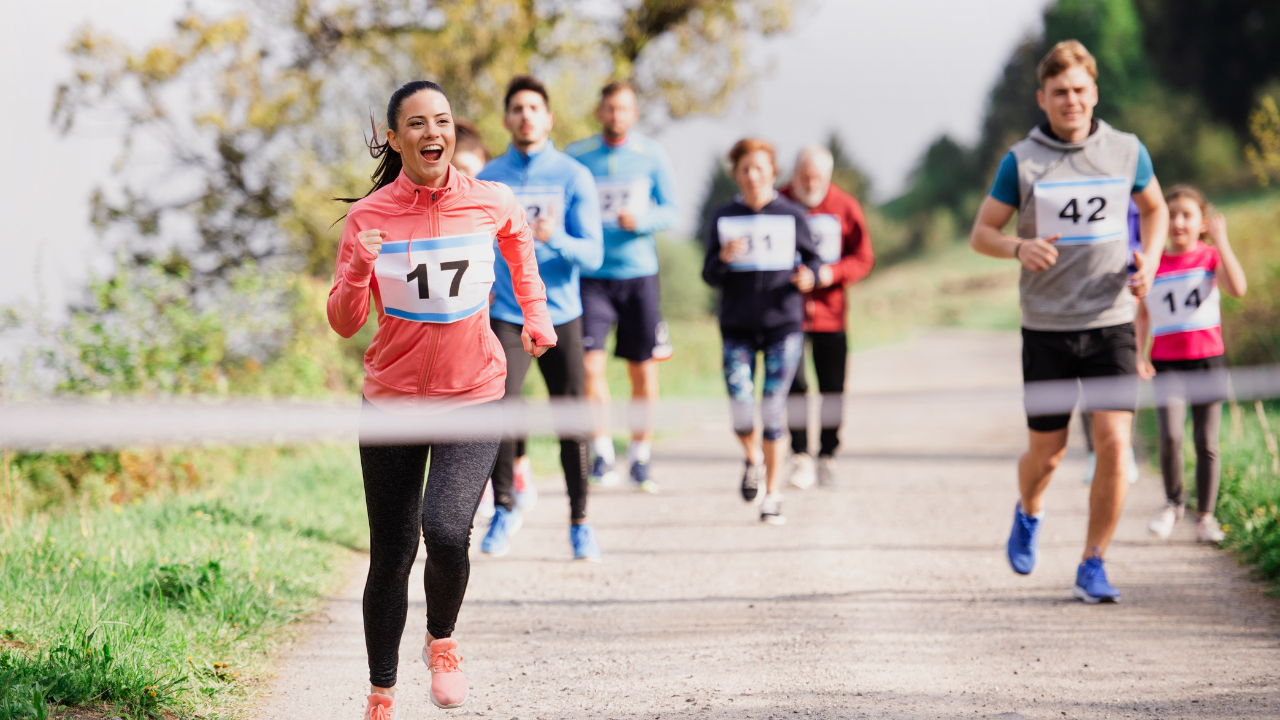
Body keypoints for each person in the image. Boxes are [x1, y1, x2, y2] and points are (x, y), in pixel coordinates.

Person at [328, 81, 555, 717]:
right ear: (396, 140)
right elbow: (345, 322)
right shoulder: (369, 218)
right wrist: (356, 271)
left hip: (475, 394)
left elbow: (519, 244)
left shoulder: (491, 201)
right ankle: (381, 690)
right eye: (419, 125)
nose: (435, 133)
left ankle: (443, 639)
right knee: (392, 555)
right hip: (393, 402)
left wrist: (534, 313)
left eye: (444, 121)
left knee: (448, 530)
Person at [969, 40, 1168, 604]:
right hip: (1048, 327)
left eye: (1080, 90)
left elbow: (1154, 208)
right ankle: (1029, 509)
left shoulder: (1127, 151)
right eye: (1060, 93)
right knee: (1049, 454)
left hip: (1112, 320)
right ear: (1042, 98)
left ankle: (1093, 562)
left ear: (1095, 92)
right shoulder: (1022, 161)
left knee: (1113, 443)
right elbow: (981, 232)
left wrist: (1149, 259)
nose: (1071, 101)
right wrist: (1017, 248)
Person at [476, 75, 605, 561]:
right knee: (501, 406)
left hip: (561, 313)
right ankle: (505, 508)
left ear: (548, 118)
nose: (526, 115)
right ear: (506, 119)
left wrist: (556, 238)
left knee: (571, 417)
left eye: (534, 107)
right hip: (507, 312)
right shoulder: (489, 178)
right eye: (517, 108)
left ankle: (580, 522)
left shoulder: (574, 176)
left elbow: (593, 255)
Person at [702, 138, 822, 525]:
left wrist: (811, 276)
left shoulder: (791, 215)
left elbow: (815, 261)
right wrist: (722, 259)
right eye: (744, 170)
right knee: (741, 411)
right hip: (736, 327)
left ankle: (773, 494)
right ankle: (752, 457)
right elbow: (708, 274)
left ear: (773, 172)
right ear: (735, 175)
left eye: (759, 168)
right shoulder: (723, 217)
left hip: (782, 326)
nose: (752, 176)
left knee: (772, 411)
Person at [567, 81, 679, 493]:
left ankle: (641, 456)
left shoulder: (651, 155)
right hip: (593, 276)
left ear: (634, 114)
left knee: (641, 370)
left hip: (639, 275)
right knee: (591, 366)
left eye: (624, 109)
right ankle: (602, 452)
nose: (616, 116)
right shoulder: (578, 156)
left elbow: (672, 209)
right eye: (610, 108)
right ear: (600, 111)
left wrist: (643, 220)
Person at [1139, 185, 1246, 542]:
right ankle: (1172, 502)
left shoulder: (1210, 257)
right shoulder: (1152, 261)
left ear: (1202, 222)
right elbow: (1142, 314)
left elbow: (1238, 288)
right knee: (1170, 435)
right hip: (1166, 363)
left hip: (1207, 362)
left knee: (1206, 441)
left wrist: (1222, 243)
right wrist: (1139, 353)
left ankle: (1206, 517)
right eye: (1170, 215)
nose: (1178, 222)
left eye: (1187, 214)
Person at [780, 144, 874, 489]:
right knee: (796, 386)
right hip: (787, 314)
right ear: (794, 174)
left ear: (828, 176)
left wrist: (829, 275)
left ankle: (829, 454)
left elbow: (863, 258)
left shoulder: (845, 206)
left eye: (817, 176)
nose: (810, 182)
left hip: (831, 315)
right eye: (804, 175)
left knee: (832, 389)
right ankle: (800, 455)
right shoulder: (779, 204)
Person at [1080, 198, 1142, 486]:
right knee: (1086, 379)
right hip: (1085, 295)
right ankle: (1094, 453)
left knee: (1123, 373)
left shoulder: (1135, 188)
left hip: (1127, 290)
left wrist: (1143, 262)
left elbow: (1147, 232)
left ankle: (1123, 450)